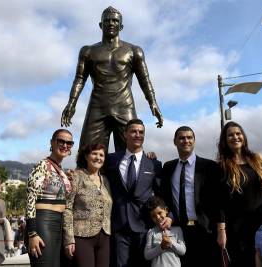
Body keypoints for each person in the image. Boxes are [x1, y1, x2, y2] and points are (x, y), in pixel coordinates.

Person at [61, 6, 163, 152]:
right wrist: (71, 103)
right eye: (107, 20)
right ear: (100, 25)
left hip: (124, 105)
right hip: (98, 106)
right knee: (87, 152)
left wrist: (153, 103)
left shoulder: (134, 51)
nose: (111, 23)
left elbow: (145, 80)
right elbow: (79, 79)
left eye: (115, 21)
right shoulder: (88, 51)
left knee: (131, 153)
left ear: (121, 26)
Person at [216, 121, 262, 267]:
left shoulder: (257, 161)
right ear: (225, 140)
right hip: (236, 230)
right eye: (230, 135)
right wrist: (221, 230)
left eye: (238, 133)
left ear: (243, 136)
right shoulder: (222, 166)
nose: (235, 137)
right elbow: (220, 202)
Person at [104, 119, 168, 267]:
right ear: (125, 134)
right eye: (133, 131)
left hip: (144, 226)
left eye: (141, 132)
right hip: (118, 225)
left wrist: (166, 216)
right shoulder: (111, 160)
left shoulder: (154, 164)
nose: (137, 135)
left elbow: (161, 195)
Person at [160, 126, 221, 266]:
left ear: (194, 141)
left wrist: (219, 229)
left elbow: (217, 200)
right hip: (178, 231)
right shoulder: (168, 167)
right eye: (181, 138)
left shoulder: (209, 166)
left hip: (204, 230)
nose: (186, 140)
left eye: (189, 137)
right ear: (175, 141)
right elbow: (164, 196)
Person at [25, 129, 73, 267]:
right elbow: (30, 199)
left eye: (69, 143)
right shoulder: (42, 165)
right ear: (52, 142)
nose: (65, 145)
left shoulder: (61, 170)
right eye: (61, 141)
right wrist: (32, 233)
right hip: (43, 222)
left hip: (59, 223)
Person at [63, 143, 112, 267]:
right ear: (86, 156)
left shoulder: (105, 180)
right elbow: (67, 208)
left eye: (101, 155)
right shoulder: (76, 176)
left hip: (104, 236)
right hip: (82, 236)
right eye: (94, 153)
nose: (98, 157)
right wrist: (69, 239)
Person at [144, 196, 186, 267]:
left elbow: (182, 251)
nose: (157, 217)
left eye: (160, 213)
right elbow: (147, 255)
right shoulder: (151, 232)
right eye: (153, 216)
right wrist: (161, 247)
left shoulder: (177, 230)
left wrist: (170, 243)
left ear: (166, 210)